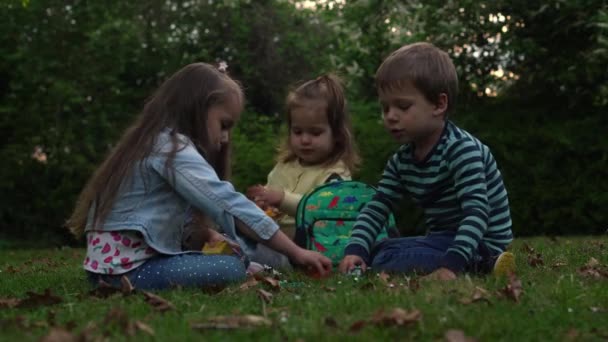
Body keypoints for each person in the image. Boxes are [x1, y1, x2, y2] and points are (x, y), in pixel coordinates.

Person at [67, 62, 332, 291]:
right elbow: (229, 204)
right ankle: (260, 265)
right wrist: (296, 251)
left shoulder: (154, 143)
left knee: (238, 254)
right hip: (127, 273)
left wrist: (205, 233)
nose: (225, 137)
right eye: (224, 124)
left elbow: (159, 215)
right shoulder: (172, 148)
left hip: (110, 270)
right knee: (232, 267)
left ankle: (258, 263)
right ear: (197, 108)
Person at [338, 42, 515, 279]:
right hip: (440, 239)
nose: (390, 116)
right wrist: (355, 249)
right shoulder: (401, 161)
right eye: (385, 107)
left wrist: (451, 265)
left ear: (439, 104)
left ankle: (482, 263)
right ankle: (467, 263)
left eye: (402, 106)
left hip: (482, 241)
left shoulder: (462, 150)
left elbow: (477, 213)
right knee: (380, 249)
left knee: (392, 258)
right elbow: (377, 207)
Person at [246, 74, 360, 268]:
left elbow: (325, 209)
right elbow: (271, 199)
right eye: (298, 132)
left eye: (315, 133)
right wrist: (261, 204)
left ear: (338, 135)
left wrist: (282, 199)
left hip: (307, 249)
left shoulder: (335, 173)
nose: (305, 140)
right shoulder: (284, 166)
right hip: (276, 241)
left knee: (250, 252)